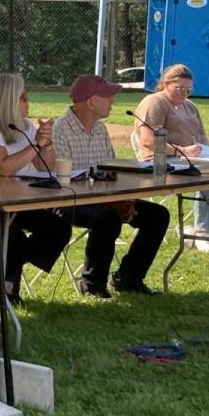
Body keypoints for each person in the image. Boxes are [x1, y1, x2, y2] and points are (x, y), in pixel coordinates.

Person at [53, 74, 169, 298]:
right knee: (108, 218)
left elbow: (112, 171)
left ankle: (128, 277)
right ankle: (93, 285)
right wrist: (112, 202)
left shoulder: (100, 130)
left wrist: (126, 200)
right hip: (68, 201)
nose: (112, 102)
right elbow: (66, 181)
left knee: (158, 215)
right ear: (91, 101)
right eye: (108, 97)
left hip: (104, 199)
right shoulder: (60, 130)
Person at [0, 73, 72, 304]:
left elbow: (47, 165)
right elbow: (4, 168)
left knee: (59, 229)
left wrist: (47, 141)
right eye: (23, 97)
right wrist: (36, 144)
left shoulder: (25, 126)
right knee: (12, 237)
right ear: (8, 99)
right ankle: (8, 291)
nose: (28, 101)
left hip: (23, 199)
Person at [132, 64, 209, 253]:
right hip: (159, 162)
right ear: (166, 84)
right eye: (179, 89)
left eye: (188, 90)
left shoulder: (190, 106)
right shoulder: (154, 102)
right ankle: (201, 233)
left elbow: (202, 138)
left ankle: (199, 230)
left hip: (190, 161)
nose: (184, 93)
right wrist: (181, 151)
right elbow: (148, 140)